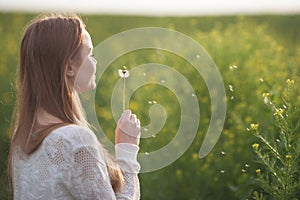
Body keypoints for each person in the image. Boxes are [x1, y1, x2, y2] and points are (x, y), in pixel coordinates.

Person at [8, 14, 141, 199]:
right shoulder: (74, 140)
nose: (94, 62)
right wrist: (127, 148)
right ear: (69, 67)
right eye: (90, 54)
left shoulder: (24, 136)